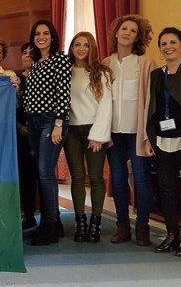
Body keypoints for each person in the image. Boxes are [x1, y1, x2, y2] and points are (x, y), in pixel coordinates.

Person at [103, 14, 157, 246]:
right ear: (116, 33)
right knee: (117, 178)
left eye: (132, 30)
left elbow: (152, 101)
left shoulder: (146, 63)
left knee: (142, 178)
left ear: (138, 37)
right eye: (123, 28)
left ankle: (142, 226)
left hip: (138, 131)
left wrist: (149, 135)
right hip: (113, 131)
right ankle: (122, 226)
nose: (127, 33)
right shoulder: (105, 63)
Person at [22, 19, 72, 246]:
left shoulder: (60, 60)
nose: (41, 36)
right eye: (37, 34)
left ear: (52, 36)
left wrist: (58, 124)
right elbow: (31, 97)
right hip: (33, 122)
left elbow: (64, 94)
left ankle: (50, 226)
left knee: (45, 172)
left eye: (45, 33)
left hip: (51, 122)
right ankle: (53, 223)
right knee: (42, 171)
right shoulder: (36, 64)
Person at [145, 27, 181, 256]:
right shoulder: (156, 75)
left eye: (173, 42)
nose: (168, 47)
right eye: (163, 43)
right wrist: (149, 138)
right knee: (166, 188)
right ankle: (172, 233)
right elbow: (151, 109)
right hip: (163, 140)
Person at [64, 32, 113, 243]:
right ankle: (80, 222)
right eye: (77, 45)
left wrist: (98, 136)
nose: (81, 48)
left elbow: (106, 105)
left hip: (94, 131)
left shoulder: (101, 73)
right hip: (72, 132)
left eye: (85, 45)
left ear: (92, 47)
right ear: (72, 48)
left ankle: (96, 221)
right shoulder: (64, 71)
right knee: (76, 177)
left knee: (95, 178)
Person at [15, 42, 40, 230]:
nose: (27, 56)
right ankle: (29, 215)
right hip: (21, 135)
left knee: (44, 176)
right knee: (27, 176)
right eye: (24, 53)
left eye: (32, 53)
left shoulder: (43, 77)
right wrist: (19, 127)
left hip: (42, 133)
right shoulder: (15, 79)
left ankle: (51, 218)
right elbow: (8, 108)